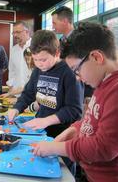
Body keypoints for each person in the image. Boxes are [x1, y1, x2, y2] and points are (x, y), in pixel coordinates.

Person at [32, 22, 118, 182]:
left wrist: (55, 148)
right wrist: (72, 130)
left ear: (96, 57)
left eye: (76, 69)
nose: (77, 76)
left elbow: (104, 147)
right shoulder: (101, 83)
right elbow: (90, 121)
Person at [8, 30, 83, 138]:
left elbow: (74, 110)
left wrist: (47, 121)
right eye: (35, 60)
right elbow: (28, 93)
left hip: (61, 133)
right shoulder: (38, 70)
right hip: (40, 130)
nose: (39, 64)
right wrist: (17, 108)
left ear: (57, 53)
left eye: (43, 60)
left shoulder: (69, 71)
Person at [52, 6, 94, 100]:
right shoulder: (60, 41)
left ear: (65, 21)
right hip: (67, 88)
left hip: (84, 89)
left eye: (54, 23)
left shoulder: (83, 39)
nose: (52, 26)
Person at [0, 21, 32, 98]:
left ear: (27, 32)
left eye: (17, 32)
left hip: (31, 94)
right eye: (13, 33)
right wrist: (11, 91)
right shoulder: (14, 50)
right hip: (16, 94)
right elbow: (12, 71)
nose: (15, 35)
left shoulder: (36, 47)